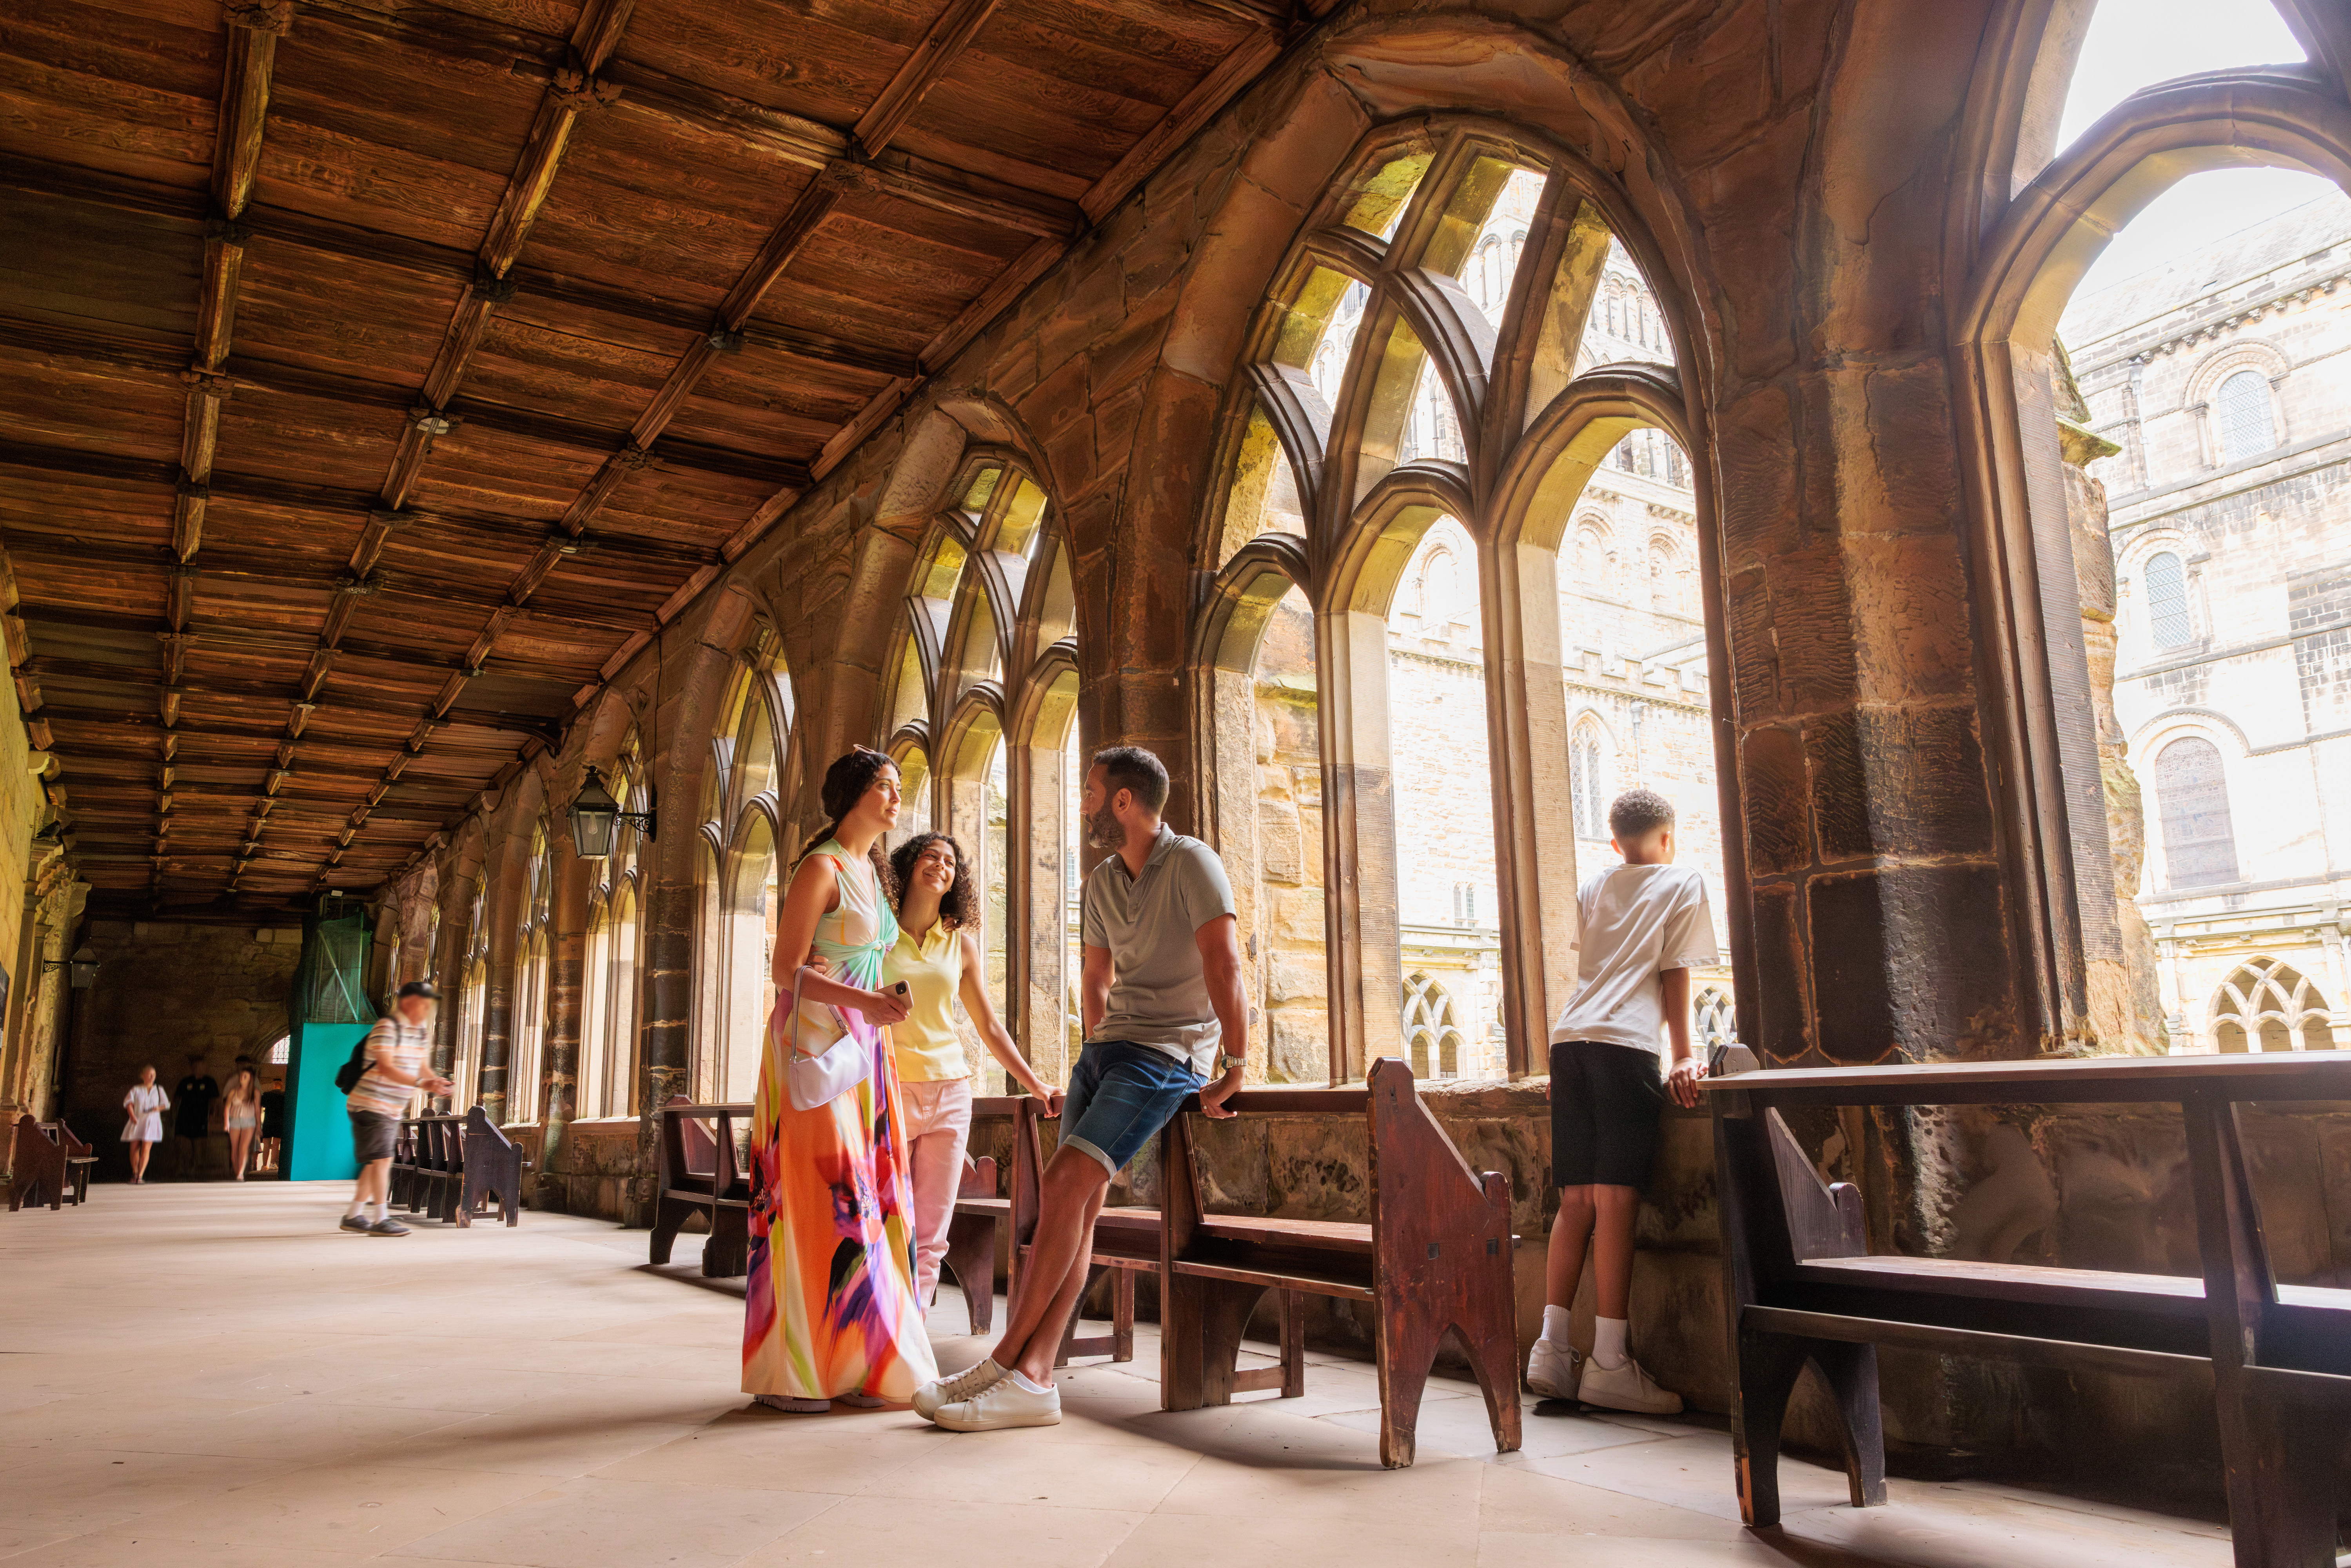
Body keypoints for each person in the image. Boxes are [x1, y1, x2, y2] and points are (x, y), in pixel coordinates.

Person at [915, 746, 1247, 1433]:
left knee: (1064, 1187)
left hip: (1164, 1056)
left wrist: (1238, 1061)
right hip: (1105, 1055)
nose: (1085, 802)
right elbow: (1095, 981)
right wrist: (1093, 1050)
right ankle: (1034, 1379)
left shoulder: (1192, 862)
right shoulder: (1100, 880)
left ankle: (1003, 1364)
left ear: (1123, 802)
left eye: (1092, 792)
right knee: (1080, 1210)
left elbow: (1224, 963)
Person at [743, 747, 932, 1414]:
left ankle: (856, 1362)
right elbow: (784, 968)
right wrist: (867, 1004)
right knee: (819, 1195)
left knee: (867, 1199)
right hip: (814, 1049)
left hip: (862, 1052)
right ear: (853, 793)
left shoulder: (869, 873)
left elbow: (860, 964)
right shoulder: (820, 867)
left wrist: (885, 1002)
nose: (896, 798)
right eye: (885, 786)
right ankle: (796, 1369)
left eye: (899, 787)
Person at [1526, 787, 1717, 1416]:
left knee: (1574, 1200)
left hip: (1570, 1042)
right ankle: (1609, 1361)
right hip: (1625, 1046)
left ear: (1614, 842)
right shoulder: (1682, 880)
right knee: (1614, 1201)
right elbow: (1674, 971)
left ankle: (1551, 1351)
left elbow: (1594, 971)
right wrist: (1685, 1054)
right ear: (1669, 837)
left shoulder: (1594, 887)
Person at [883, 831, 1060, 1310]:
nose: (940, 865)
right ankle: (876, 1339)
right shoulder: (878, 934)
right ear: (908, 865)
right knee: (885, 1222)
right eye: (929, 856)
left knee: (932, 1232)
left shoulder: (960, 945)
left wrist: (1036, 1083)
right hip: (890, 1089)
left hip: (950, 1093)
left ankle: (911, 1346)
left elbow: (988, 1025)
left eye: (950, 862)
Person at [343, 981, 453, 1235]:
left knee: (376, 1162)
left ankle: (353, 1215)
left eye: (429, 1004)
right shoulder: (387, 1027)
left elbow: (420, 1066)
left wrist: (434, 1082)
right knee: (382, 1160)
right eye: (423, 1003)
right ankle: (381, 1219)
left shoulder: (420, 1033)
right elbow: (385, 1067)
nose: (426, 1009)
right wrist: (421, 1082)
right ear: (407, 1002)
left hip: (391, 1108)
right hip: (370, 1104)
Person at [172, 1053, 218, 1180]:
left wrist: (212, 1118)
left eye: (202, 1067)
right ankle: (181, 1168)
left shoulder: (210, 1082)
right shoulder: (186, 1082)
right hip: (184, 1117)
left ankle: (195, 1169)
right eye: (197, 1067)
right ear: (193, 1068)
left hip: (201, 1118)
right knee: (182, 1145)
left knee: (198, 1146)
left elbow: (214, 1102)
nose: (200, 1069)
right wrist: (171, 1117)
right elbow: (176, 1099)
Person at [121, 1066, 167, 1184]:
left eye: (154, 1075)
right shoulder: (136, 1089)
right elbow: (128, 1103)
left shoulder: (159, 1089)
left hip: (152, 1122)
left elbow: (166, 1104)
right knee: (134, 1148)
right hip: (137, 1121)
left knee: (146, 1149)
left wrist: (159, 1107)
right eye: (150, 1074)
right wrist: (132, 1116)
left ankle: (140, 1176)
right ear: (143, 1076)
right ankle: (135, 1173)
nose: (152, 1077)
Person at [222, 1061, 261, 1181]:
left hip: (249, 1122)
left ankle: (240, 1173)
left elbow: (257, 1110)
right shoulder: (233, 1091)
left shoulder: (255, 1092)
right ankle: (237, 1171)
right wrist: (226, 1123)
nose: (242, 1078)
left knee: (243, 1148)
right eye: (241, 1076)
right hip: (235, 1121)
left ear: (251, 1079)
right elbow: (227, 1108)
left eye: (246, 1076)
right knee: (235, 1148)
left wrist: (259, 1126)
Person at [258, 1076, 286, 1174]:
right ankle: (273, 1164)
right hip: (279, 1122)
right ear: (281, 1085)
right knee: (275, 1145)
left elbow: (260, 1106)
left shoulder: (267, 1095)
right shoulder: (284, 1096)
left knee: (266, 1145)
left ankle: (264, 1165)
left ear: (274, 1084)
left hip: (268, 1122)